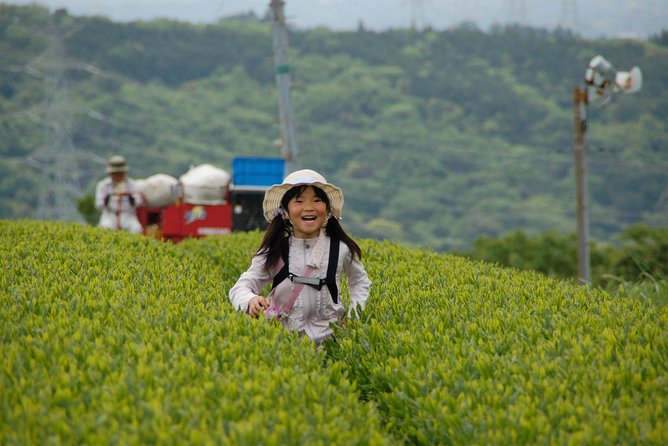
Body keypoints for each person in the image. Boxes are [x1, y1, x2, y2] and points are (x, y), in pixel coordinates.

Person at [229, 169, 371, 345]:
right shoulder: (275, 250)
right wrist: (250, 300)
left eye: (317, 200)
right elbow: (240, 287)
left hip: (331, 343)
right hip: (284, 343)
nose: (309, 207)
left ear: (327, 210)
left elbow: (359, 282)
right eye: (299, 201)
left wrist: (353, 317)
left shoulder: (340, 249)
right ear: (286, 213)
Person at [95, 155, 144, 234]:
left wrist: (130, 197)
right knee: (105, 228)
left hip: (128, 215)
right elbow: (99, 205)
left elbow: (139, 202)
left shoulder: (132, 184)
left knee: (136, 229)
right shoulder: (103, 185)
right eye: (116, 173)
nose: (118, 176)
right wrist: (108, 197)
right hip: (109, 215)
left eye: (120, 173)